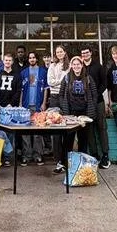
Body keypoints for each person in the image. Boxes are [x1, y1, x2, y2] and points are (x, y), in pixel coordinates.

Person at [58, 56, 97, 156]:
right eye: (74, 64)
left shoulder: (88, 78)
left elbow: (94, 94)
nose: (76, 66)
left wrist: (91, 108)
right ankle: (64, 162)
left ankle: (81, 163)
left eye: (78, 64)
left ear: (82, 65)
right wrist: (64, 106)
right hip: (70, 113)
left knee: (83, 139)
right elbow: (61, 94)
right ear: (71, 65)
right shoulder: (67, 78)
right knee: (68, 139)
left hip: (84, 114)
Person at [80, 46, 110, 169]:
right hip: (86, 104)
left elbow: (105, 83)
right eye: (83, 53)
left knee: (101, 128)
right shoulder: (80, 67)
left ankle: (105, 155)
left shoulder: (99, 66)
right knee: (90, 129)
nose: (85, 54)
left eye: (87, 52)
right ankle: (94, 155)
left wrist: (96, 94)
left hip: (98, 102)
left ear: (91, 53)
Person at [20, 52, 48, 165]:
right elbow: (21, 90)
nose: (32, 59)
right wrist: (21, 104)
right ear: (28, 59)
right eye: (30, 57)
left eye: (33, 57)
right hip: (26, 104)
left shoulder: (42, 71)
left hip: (38, 104)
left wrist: (44, 103)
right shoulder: (24, 72)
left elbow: (46, 88)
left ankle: (38, 155)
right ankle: (26, 155)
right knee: (25, 131)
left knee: (37, 130)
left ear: (37, 59)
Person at [45, 45, 70, 173]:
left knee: (66, 128)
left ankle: (67, 159)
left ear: (65, 53)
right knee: (55, 130)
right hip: (54, 97)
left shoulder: (69, 65)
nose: (59, 53)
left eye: (61, 51)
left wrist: (58, 81)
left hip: (66, 97)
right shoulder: (52, 66)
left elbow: (68, 81)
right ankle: (58, 161)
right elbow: (50, 82)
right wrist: (60, 81)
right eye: (57, 52)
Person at [0, 53, 21, 166]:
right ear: (3, 61)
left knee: (10, 133)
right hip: (0, 107)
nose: (7, 62)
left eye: (10, 60)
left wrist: (11, 104)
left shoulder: (17, 75)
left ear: (12, 62)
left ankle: (7, 157)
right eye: (6, 60)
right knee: (0, 133)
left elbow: (18, 91)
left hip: (11, 108)